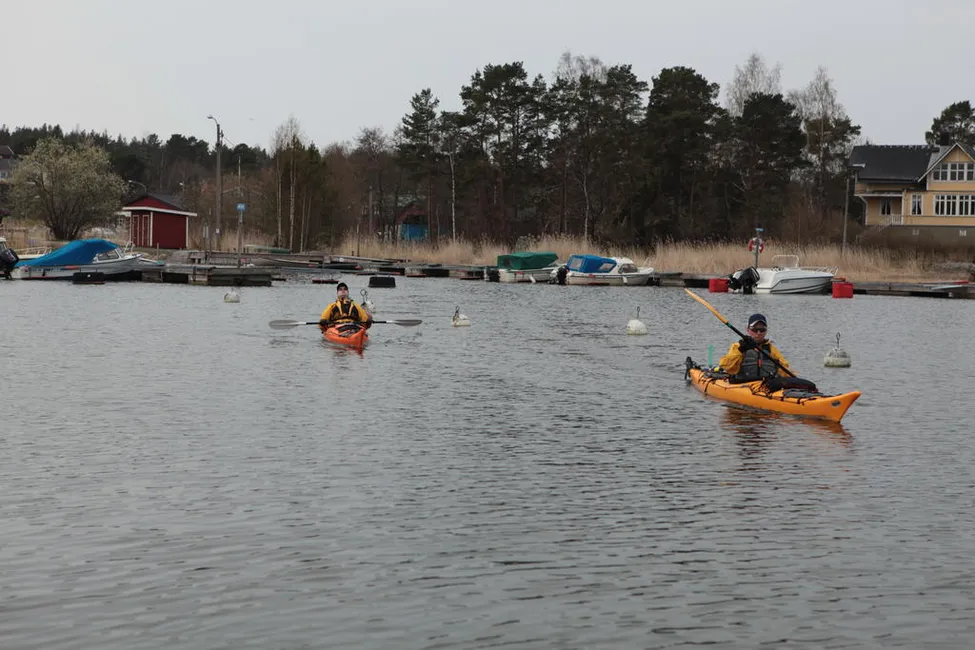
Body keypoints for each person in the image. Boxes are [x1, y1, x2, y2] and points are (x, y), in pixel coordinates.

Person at [718, 313, 790, 381]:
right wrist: (740, 350)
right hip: (743, 385)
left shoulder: (771, 349)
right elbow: (726, 366)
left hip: (767, 385)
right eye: (755, 329)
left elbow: (785, 371)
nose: (758, 333)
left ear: (766, 331)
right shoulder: (738, 346)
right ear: (748, 330)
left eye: (762, 329)